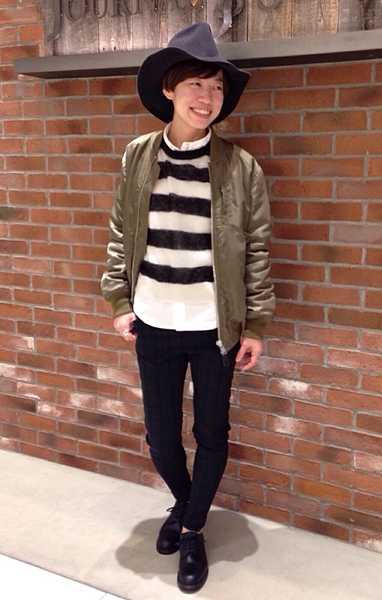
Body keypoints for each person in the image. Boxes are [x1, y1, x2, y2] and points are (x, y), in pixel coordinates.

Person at [101, 22, 275, 593]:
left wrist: (255, 325)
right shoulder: (138, 156)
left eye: (217, 87)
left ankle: (193, 527)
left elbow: (256, 251)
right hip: (152, 320)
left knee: (212, 432)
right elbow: (121, 234)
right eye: (196, 84)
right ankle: (186, 504)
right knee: (160, 437)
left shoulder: (240, 166)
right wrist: (119, 301)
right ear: (170, 89)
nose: (208, 97)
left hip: (213, 328)